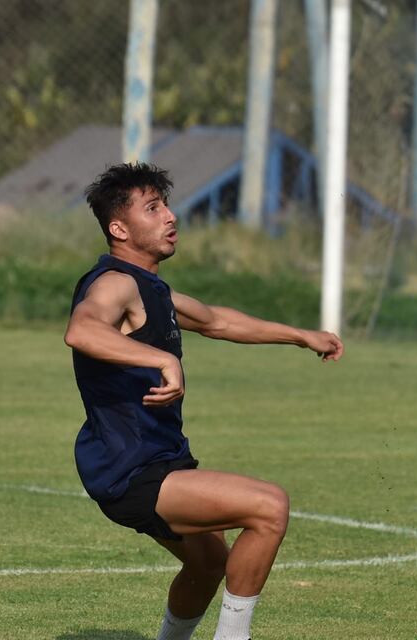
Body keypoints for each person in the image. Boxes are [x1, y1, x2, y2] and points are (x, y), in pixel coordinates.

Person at [64, 163, 344, 640]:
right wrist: (161, 359)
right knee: (269, 507)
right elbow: (82, 329)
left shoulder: (152, 288)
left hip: (154, 460)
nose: (171, 216)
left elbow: (217, 321)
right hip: (131, 470)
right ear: (119, 228)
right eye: (153, 208)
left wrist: (299, 335)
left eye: (167, 205)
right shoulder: (115, 284)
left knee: (209, 563)